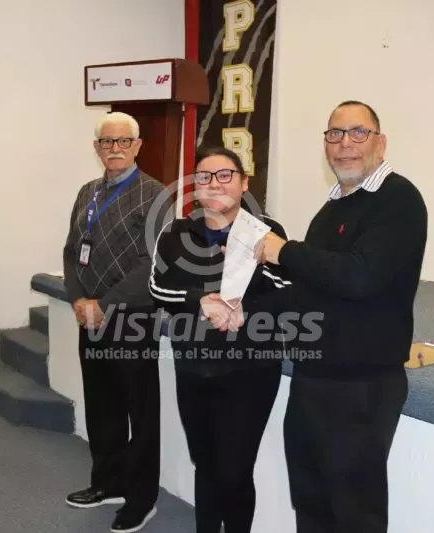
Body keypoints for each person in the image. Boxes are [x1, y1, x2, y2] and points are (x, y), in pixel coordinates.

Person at [257, 101, 428, 532]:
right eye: (335, 134)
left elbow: (359, 276)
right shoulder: (332, 208)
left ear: (380, 142)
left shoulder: (398, 199)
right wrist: (242, 310)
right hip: (314, 377)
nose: (345, 144)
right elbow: (310, 288)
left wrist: (285, 251)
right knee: (311, 504)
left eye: (358, 133)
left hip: (361, 387)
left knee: (354, 514)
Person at [148, 146, 291, 533]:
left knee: (236, 469)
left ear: (244, 183)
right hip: (193, 368)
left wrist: (247, 301)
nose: (214, 183)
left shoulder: (267, 231)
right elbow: (158, 289)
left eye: (225, 175)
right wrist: (200, 300)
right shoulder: (176, 233)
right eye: (204, 177)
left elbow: (290, 290)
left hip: (250, 370)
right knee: (206, 463)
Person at [62, 111, 170, 533]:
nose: (115, 149)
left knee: (139, 413)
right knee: (101, 407)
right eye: (107, 142)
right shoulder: (87, 192)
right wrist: (78, 299)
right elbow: (72, 250)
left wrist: (103, 304)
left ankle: (141, 499)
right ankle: (107, 483)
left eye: (124, 141)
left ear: (138, 146)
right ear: (97, 147)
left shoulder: (156, 194)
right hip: (90, 318)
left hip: (131, 319)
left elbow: (153, 263)